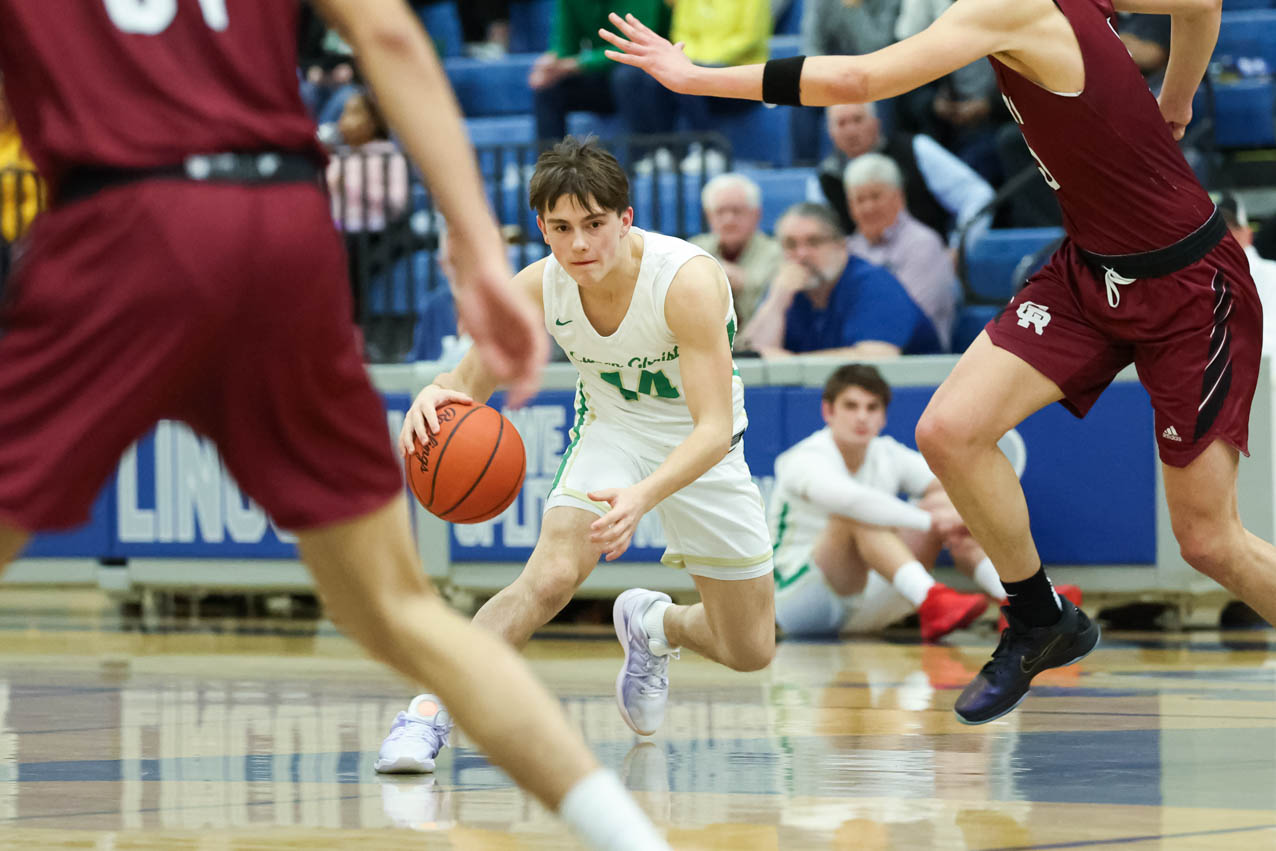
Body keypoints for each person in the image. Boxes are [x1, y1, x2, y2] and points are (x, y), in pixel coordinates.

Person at [0, 2, 667, 849]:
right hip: (281, 225)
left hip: (119, 222)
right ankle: (630, 839)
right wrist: (477, 247)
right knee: (395, 606)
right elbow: (389, 36)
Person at [600, 0, 1275, 728]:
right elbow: (1199, 7)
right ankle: (1040, 615)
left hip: (1186, 285)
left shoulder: (1004, 6)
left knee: (1208, 541)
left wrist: (698, 77)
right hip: (1091, 270)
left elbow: (859, 77)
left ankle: (1041, 613)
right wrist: (1172, 103)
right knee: (949, 430)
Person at [377, 137, 776, 771]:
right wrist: (435, 393)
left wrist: (645, 497)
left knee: (751, 648)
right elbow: (465, 383)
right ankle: (428, 713)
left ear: (625, 219)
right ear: (541, 228)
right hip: (613, 431)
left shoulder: (688, 282)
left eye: (594, 225)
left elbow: (711, 428)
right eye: (561, 229)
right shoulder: (537, 287)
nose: (580, 245)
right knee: (550, 576)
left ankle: (654, 625)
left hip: (703, 449)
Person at [771, 364, 1084, 639]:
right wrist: (930, 521)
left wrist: (953, 515)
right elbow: (851, 501)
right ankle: (934, 599)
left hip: (869, 602)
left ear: (883, 416)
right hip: (800, 602)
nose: (861, 417)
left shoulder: (887, 453)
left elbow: (954, 486)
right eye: (851, 406)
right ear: (828, 412)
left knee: (951, 502)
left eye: (872, 407)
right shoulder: (803, 459)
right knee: (856, 516)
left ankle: (1024, 603)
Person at [741, 202, 943, 358]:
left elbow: (879, 357)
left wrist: (791, 363)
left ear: (842, 246)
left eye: (814, 242)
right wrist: (777, 301)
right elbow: (755, 359)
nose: (801, 255)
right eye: (790, 245)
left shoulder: (873, 284)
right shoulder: (786, 288)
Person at [817, 102, 994, 243]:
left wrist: (959, 248)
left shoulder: (915, 149)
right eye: (841, 123)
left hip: (926, 257)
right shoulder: (824, 177)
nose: (851, 131)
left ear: (876, 123)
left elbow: (978, 195)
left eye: (857, 120)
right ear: (830, 133)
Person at [844, 153, 959, 350]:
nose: (868, 207)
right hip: (860, 355)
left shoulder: (923, 243)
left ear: (899, 197)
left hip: (917, 360)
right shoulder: (848, 248)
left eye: (876, 196)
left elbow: (909, 318)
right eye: (860, 200)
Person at [529, 0, 671, 144]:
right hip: (605, 79)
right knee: (549, 86)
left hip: (653, 80)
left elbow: (637, 47)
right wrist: (552, 62)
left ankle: (646, 154)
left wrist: (580, 63)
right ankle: (550, 162)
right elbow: (566, 46)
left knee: (627, 76)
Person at [689, 173, 782, 340]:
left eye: (737, 211)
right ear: (709, 216)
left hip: (758, 347)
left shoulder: (777, 253)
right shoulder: (693, 249)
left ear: (756, 215)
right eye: (720, 212)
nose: (729, 220)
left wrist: (744, 284)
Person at [1219, 193, 1276, 357]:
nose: (1221, 240)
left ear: (1247, 233)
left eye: (1227, 229)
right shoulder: (1195, 281)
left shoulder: (1272, 274)